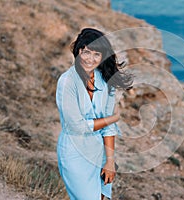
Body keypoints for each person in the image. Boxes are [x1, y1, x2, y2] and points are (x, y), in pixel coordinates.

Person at [56, 28, 132, 200]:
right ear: (78, 51)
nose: (90, 59)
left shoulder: (105, 79)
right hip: (74, 153)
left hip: (101, 152)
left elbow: (108, 129)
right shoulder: (67, 82)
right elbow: (77, 126)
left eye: (96, 54)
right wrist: (111, 118)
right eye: (86, 52)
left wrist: (110, 161)